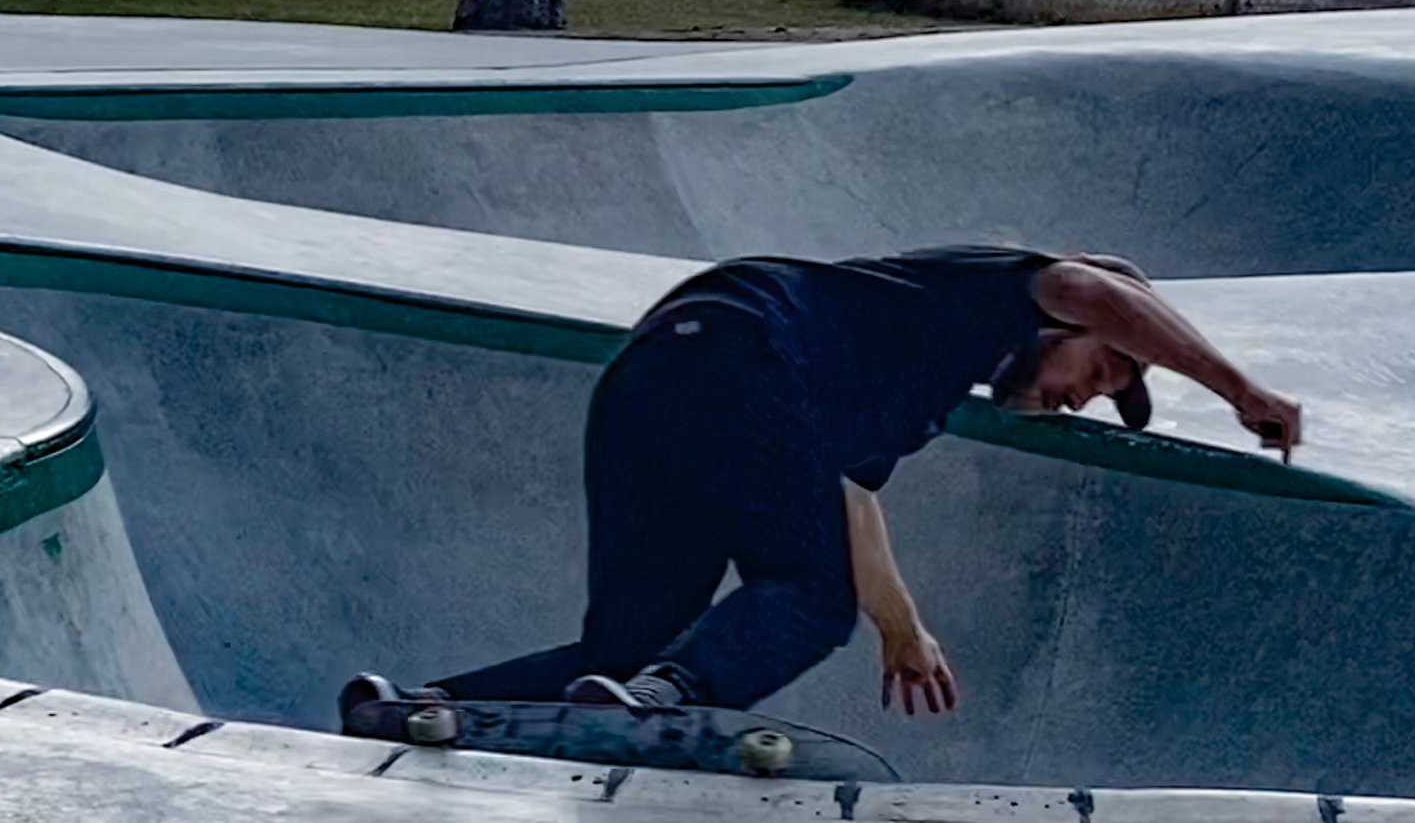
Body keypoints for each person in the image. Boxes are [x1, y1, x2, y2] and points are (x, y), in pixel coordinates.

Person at [341, 246, 1303, 726]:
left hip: (655, 376)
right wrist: (1239, 389)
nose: (1070, 399)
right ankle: (667, 701)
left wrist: (901, 623)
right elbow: (1095, 291)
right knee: (803, 602)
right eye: (1091, 374)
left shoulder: (911, 385)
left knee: (627, 644)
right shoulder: (992, 293)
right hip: (747, 351)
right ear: (1070, 325)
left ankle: (421, 705)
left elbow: (845, 497)